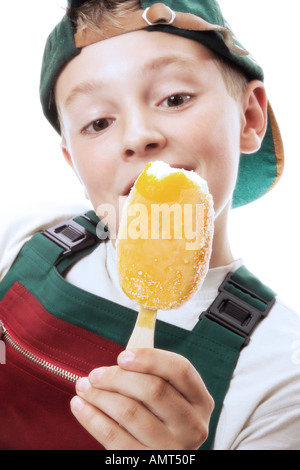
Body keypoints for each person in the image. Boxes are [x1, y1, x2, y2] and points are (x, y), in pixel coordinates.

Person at [0, 0, 299, 451]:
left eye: (175, 98)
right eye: (98, 122)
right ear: (73, 164)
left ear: (249, 117)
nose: (138, 135)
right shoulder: (19, 238)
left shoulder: (282, 376)